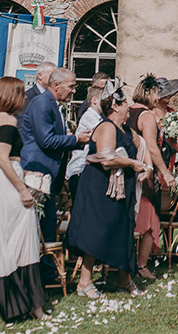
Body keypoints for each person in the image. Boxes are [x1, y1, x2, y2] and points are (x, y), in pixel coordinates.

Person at [68, 80, 150, 298]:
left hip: (124, 186)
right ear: (115, 106)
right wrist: (133, 164)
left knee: (124, 229)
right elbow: (106, 159)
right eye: (125, 104)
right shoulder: (106, 127)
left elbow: (140, 145)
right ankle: (84, 282)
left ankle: (124, 279)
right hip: (101, 186)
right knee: (98, 231)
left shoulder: (125, 129)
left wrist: (145, 166)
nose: (129, 108)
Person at [0, 76, 49, 322]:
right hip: (6, 180)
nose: (24, 99)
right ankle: (31, 304)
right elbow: (3, 157)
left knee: (2, 239)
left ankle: (2, 297)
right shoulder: (8, 120)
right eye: (21, 94)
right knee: (23, 238)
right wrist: (22, 188)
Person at [19, 66, 88, 283]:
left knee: (48, 225)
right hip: (37, 172)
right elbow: (46, 140)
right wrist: (76, 140)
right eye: (71, 86)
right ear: (55, 85)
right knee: (40, 226)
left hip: (49, 174)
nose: (74, 91)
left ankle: (46, 273)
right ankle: (40, 274)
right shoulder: (41, 104)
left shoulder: (54, 104)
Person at [129, 75, 174, 280]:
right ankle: (141, 264)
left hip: (128, 169)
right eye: (157, 92)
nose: (159, 97)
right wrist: (164, 172)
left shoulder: (128, 111)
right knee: (148, 218)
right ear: (150, 93)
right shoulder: (147, 116)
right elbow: (152, 147)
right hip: (145, 171)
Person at [67, 84, 105, 200]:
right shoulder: (89, 116)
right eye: (103, 99)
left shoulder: (98, 117)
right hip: (79, 170)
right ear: (94, 100)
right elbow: (102, 133)